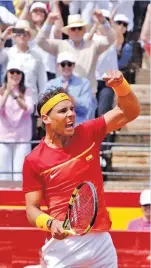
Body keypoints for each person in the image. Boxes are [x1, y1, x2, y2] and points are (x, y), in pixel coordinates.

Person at [23, 70, 140, 268]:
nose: (71, 114)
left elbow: (130, 112)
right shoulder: (34, 160)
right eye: (62, 111)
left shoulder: (88, 132)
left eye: (71, 108)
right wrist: (51, 223)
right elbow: (31, 209)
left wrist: (121, 85)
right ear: (46, 119)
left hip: (102, 241)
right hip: (64, 246)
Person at [36, 10, 115, 95]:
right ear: (68, 31)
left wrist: (103, 21)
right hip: (64, 93)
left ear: (84, 30)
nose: (76, 31)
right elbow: (40, 41)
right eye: (73, 29)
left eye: (79, 28)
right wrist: (48, 22)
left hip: (87, 94)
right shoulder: (60, 44)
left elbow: (111, 38)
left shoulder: (93, 45)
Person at [0, 60, 33, 181]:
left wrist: (14, 95)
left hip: (22, 139)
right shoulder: (1, 91)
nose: (15, 75)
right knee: (4, 175)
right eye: (12, 72)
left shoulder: (27, 91)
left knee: (20, 175)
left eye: (18, 72)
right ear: (7, 74)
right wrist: (7, 91)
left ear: (22, 75)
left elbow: (29, 109)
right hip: (4, 138)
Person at [45, 51, 96, 126]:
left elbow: (86, 108)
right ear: (58, 66)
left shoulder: (84, 83)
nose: (66, 67)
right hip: (57, 127)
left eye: (69, 64)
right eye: (63, 64)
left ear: (73, 65)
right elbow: (46, 107)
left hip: (78, 126)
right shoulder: (51, 84)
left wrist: (67, 95)